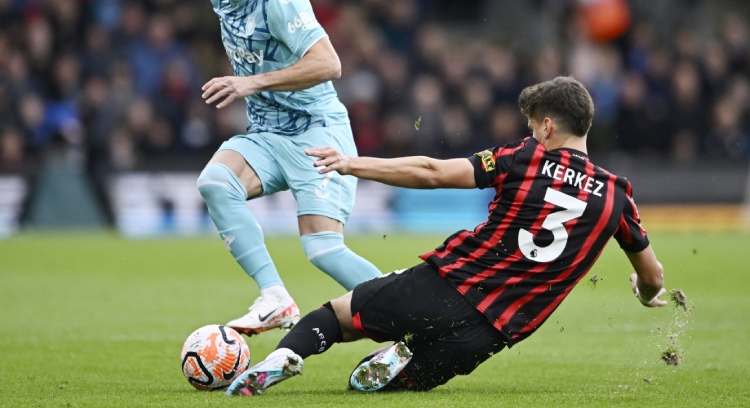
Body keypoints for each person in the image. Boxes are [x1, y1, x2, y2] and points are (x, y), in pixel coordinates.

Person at [225, 76, 668, 396]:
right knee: (375, 386)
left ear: (548, 126)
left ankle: (284, 358)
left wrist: (351, 163)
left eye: (534, 124)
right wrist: (646, 293)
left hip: (449, 283)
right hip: (494, 332)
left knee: (337, 318)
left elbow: (433, 172)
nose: (531, 131)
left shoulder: (525, 156)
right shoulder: (617, 195)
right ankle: (404, 358)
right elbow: (653, 276)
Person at [191, 0, 381, 336]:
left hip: (317, 131)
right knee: (215, 183)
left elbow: (329, 64)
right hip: (266, 134)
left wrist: (251, 84)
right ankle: (274, 297)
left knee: (324, 249)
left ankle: (410, 316)